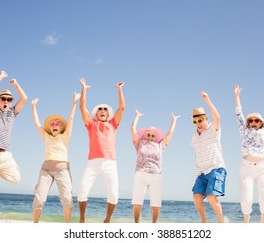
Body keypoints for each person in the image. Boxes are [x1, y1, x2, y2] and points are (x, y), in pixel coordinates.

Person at [77, 78, 125, 223]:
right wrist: (84, 89)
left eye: (105, 109)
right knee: (81, 192)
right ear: (96, 114)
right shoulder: (91, 124)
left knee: (114, 195)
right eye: (100, 109)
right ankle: (82, 219)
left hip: (110, 163)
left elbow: (121, 108)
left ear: (108, 114)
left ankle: (107, 219)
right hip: (93, 162)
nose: (102, 110)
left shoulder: (113, 124)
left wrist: (119, 89)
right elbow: (82, 108)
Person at [31, 91, 80, 223]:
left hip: (62, 170)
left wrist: (74, 103)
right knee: (39, 198)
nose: (54, 126)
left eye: (57, 124)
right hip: (45, 170)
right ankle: (34, 224)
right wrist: (33, 106)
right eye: (52, 125)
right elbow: (37, 123)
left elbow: (71, 118)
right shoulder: (46, 136)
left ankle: (68, 226)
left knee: (66, 199)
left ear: (62, 127)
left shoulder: (65, 137)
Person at [234, 84, 264, 223]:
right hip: (246, 168)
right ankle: (246, 222)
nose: (253, 122)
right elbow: (238, 113)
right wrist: (236, 96)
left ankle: (263, 224)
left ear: (261, 123)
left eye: (256, 120)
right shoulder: (244, 130)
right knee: (246, 199)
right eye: (251, 120)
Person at [131, 109, 180, 223]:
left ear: (155, 138)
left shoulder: (160, 145)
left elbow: (170, 134)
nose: (150, 137)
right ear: (144, 135)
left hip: (156, 176)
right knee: (137, 203)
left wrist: (174, 121)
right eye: (148, 134)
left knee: (156, 204)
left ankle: (154, 226)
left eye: (153, 135)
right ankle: (136, 225)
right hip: (140, 174)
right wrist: (137, 116)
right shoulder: (140, 143)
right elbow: (133, 129)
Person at [191, 91, 227, 223]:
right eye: (195, 121)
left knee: (211, 197)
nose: (198, 123)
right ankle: (204, 221)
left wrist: (207, 100)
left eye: (201, 120)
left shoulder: (213, 130)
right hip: (202, 171)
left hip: (216, 168)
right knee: (196, 196)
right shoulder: (195, 136)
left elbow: (217, 118)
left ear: (206, 120)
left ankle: (220, 221)